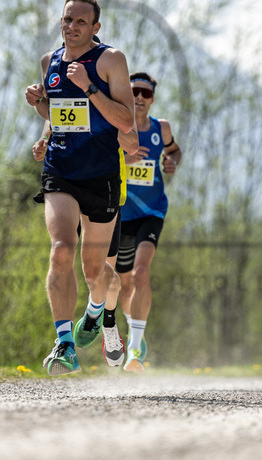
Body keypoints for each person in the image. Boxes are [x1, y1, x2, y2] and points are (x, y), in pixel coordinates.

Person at [24, 0, 134, 376]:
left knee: (94, 271)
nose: (71, 27)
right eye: (67, 19)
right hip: (60, 170)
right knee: (59, 250)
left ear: (95, 28)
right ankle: (65, 345)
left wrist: (89, 87)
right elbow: (58, 115)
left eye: (81, 22)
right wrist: (41, 112)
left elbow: (124, 120)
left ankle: (96, 312)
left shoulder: (110, 61)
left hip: (101, 176)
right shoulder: (48, 62)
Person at [108, 72, 182, 373]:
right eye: (134, 91)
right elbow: (100, 162)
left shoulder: (160, 129)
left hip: (152, 212)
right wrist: (122, 161)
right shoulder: (115, 126)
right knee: (124, 285)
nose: (139, 97)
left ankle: (135, 350)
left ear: (152, 99)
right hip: (121, 212)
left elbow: (174, 150)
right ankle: (135, 329)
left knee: (140, 273)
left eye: (145, 93)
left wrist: (172, 162)